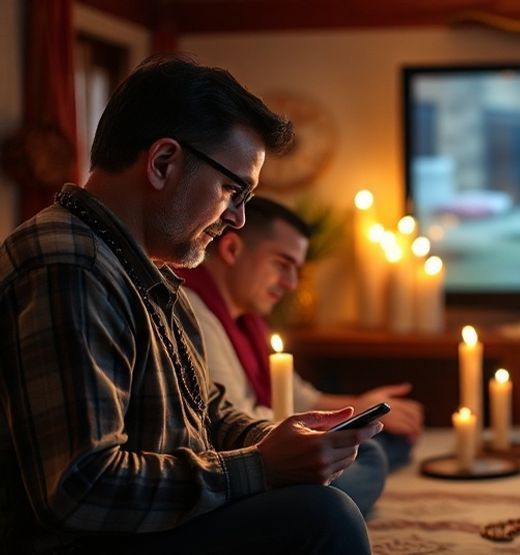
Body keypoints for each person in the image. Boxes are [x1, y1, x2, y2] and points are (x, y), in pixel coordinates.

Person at [0, 56, 375, 554]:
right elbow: (80, 489)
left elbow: (206, 414)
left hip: (158, 520)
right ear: (162, 163)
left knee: (328, 486)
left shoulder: (144, 267)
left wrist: (289, 443)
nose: (238, 218)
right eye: (232, 189)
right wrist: (262, 468)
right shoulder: (72, 265)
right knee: (323, 516)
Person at [177, 196, 424, 512]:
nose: (291, 284)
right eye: (282, 265)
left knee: (374, 446)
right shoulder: (194, 312)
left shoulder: (246, 319)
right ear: (232, 249)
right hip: (243, 462)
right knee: (371, 457)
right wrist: (325, 436)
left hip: (267, 442)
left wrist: (360, 409)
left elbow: (295, 395)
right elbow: (233, 422)